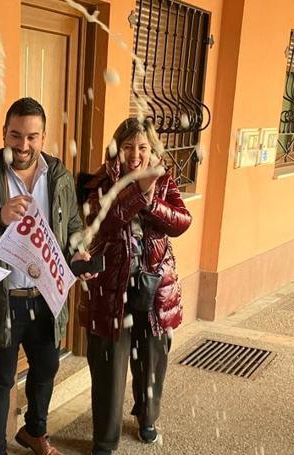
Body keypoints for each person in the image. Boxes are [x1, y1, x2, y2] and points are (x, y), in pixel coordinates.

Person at [0, 97, 86, 455]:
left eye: (32, 137)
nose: (23, 145)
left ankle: (34, 431)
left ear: (43, 136)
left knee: (47, 367)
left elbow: (73, 226)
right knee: (0, 381)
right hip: (1, 300)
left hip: (45, 297)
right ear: (5, 133)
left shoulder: (58, 174)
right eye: (15, 135)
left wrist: (79, 250)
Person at [77, 117, 192, 455]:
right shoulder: (100, 179)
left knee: (153, 359)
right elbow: (105, 223)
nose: (135, 154)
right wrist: (140, 193)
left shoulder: (164, 178)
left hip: (156, 287)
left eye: (142, 147)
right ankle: (105, 440)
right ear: (117, 148)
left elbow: (182, 221)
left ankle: (147, 418)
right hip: (111, 289)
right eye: (128, 147)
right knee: (109, 365)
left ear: (151, 148)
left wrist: (153, 200)